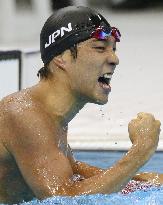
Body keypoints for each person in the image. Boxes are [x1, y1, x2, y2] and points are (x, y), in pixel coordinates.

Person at [0, 6, 161, 204]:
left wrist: (149, 181)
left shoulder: (50, 116)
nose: (114, 59)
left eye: (113, 49)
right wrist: (140, 152)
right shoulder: (24, 114)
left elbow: (75, 174)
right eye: (100, 48)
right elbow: (62, 199)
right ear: (62, 58)